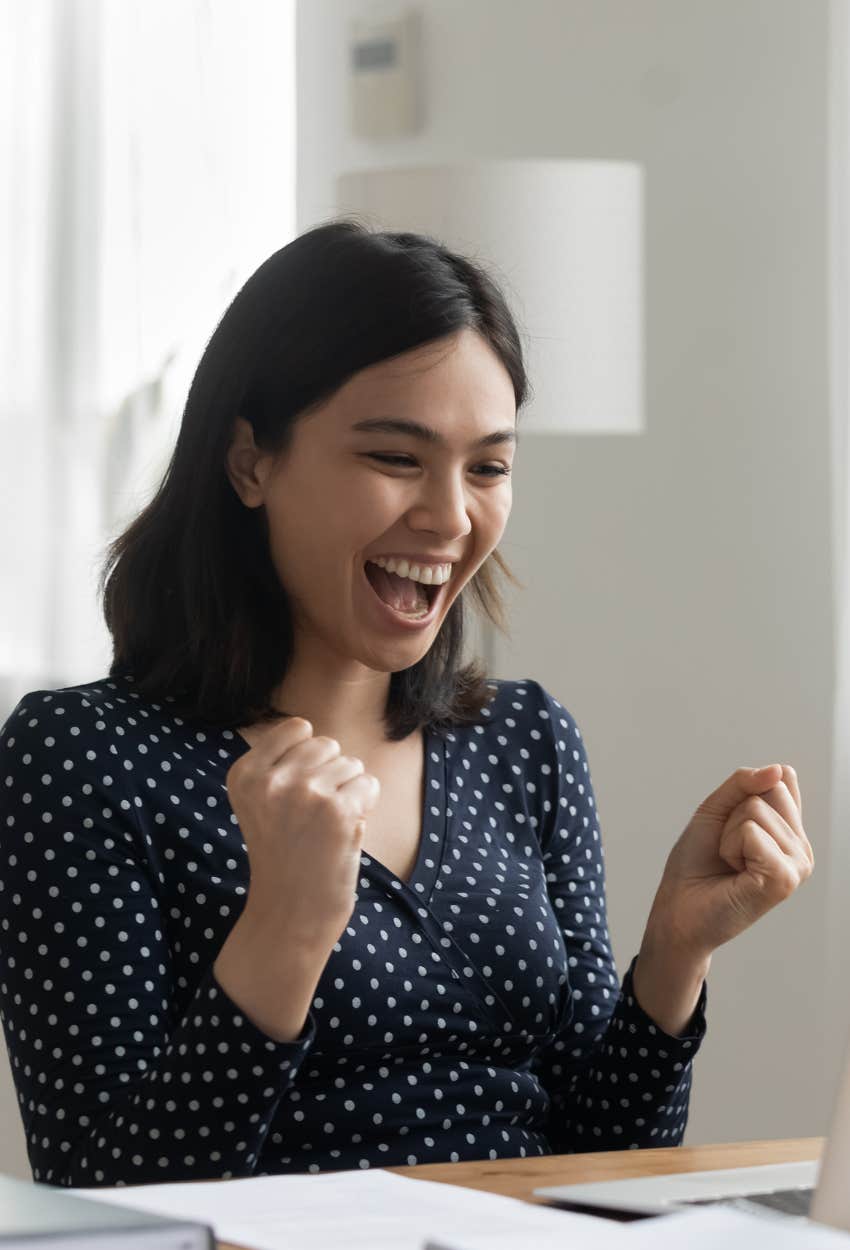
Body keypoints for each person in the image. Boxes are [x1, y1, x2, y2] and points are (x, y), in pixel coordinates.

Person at [0, 221, 813, 1188]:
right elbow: (102, 1201)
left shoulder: (525, 739)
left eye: (489, 467)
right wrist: (285, 931)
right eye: (396, 457)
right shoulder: (81, 759)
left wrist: (676, 955)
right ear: (250, 460)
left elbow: (605, 1157)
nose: (451, 516)